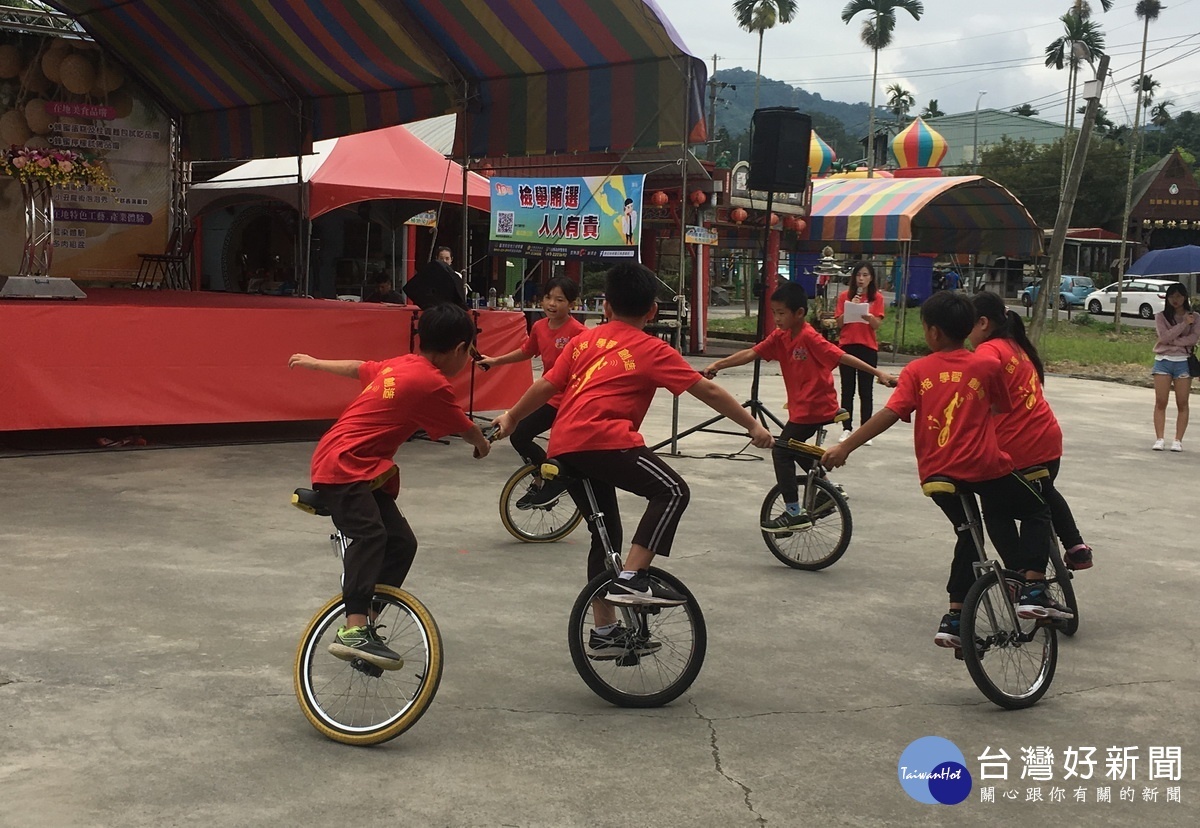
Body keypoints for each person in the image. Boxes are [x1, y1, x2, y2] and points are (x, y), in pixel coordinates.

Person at [492, 263, 773, 653]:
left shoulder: (584, 341)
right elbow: (707, 391)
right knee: (673, 491)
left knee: (604, 535)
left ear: (605, 306)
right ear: (652, 311)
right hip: (604, 441)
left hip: (565, 445)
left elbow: (545, 384)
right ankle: (632, 577)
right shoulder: (653, 348)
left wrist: (512, 415)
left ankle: (604, 631)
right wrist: (752, 426)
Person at [822, 291, 1072, 654]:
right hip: (985, 468)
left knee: (967, 534)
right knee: (1036, 509)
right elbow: (1002, 409)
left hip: (937, 476)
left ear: (933, 333)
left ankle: (955, 617)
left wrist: (845, 446)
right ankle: (1032, 586)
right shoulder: (986, 367)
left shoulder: (916, 371)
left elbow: (889, 415)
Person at [287, 303, 492, 670]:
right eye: (470, 354)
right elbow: (465, 428)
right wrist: (482, 444)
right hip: (344, 466)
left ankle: (367, 624)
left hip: (361, 469)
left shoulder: (402, 365)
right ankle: (354, 629)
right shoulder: (432, 383)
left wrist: (316, 363)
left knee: (402, 543)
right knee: (371, 536)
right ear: (460, 349)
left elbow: (357, 367)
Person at [702, 281, 896, 533]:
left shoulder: (809, 337)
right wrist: (719, 365)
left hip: (816, 407)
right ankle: (828, 488)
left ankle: (793, 512)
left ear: (799, 313)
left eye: (782, 313)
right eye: (774, 313)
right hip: (801, 408)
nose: (777, 318)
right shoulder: (780, 337)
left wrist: (878, 373)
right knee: (795, 449)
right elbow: (752, 353)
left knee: (781, 452)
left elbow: (841, 356)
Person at [969, 291, 1093, 571]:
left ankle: (1019, 576)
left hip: (1015, 450)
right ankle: (1075, 545)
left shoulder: (988, 351)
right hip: (1048, 443)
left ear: (983, 323)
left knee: (994, 507)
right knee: (1045, 490)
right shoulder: (1019, 347)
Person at [479, 276, 587, 508]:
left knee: (521, 435)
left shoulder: (579, 332)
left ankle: (550, 480)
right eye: (548, 298)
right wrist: (495, 361)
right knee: (519, 435)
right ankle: (544, 480)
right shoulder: (539, 326)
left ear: (572, 304)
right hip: (546, 394)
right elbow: (527, 351)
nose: (552, 304)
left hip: (567, 400)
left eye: (560, 299)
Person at [835, 262, 886, 444]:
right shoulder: (844, 297)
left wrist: (869, 317)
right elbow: (839, 323)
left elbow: (877, 325)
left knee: (866, 390)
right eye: (858, 275)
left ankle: (865, 430)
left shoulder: (876, 298)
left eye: (865, 275)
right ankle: (846, 428)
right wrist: (851, 308)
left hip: (868, 347)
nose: (861, 279)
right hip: (847, 346)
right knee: (847, 390)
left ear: (871, 277)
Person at [1151, 283, 1200, 452]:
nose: (1175, 300)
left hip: (1183, 362)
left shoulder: (1195, 317)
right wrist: (1183, 325)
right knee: (1161, 401)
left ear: (1185, 297)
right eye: (1172, 296)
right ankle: (1159, 438)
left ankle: (1178, 440)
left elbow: (1193, 339)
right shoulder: (1160, 316)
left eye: (1179, 296)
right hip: (1163, 360)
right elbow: (1163, 337)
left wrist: (1174, 340)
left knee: (1182, 402)